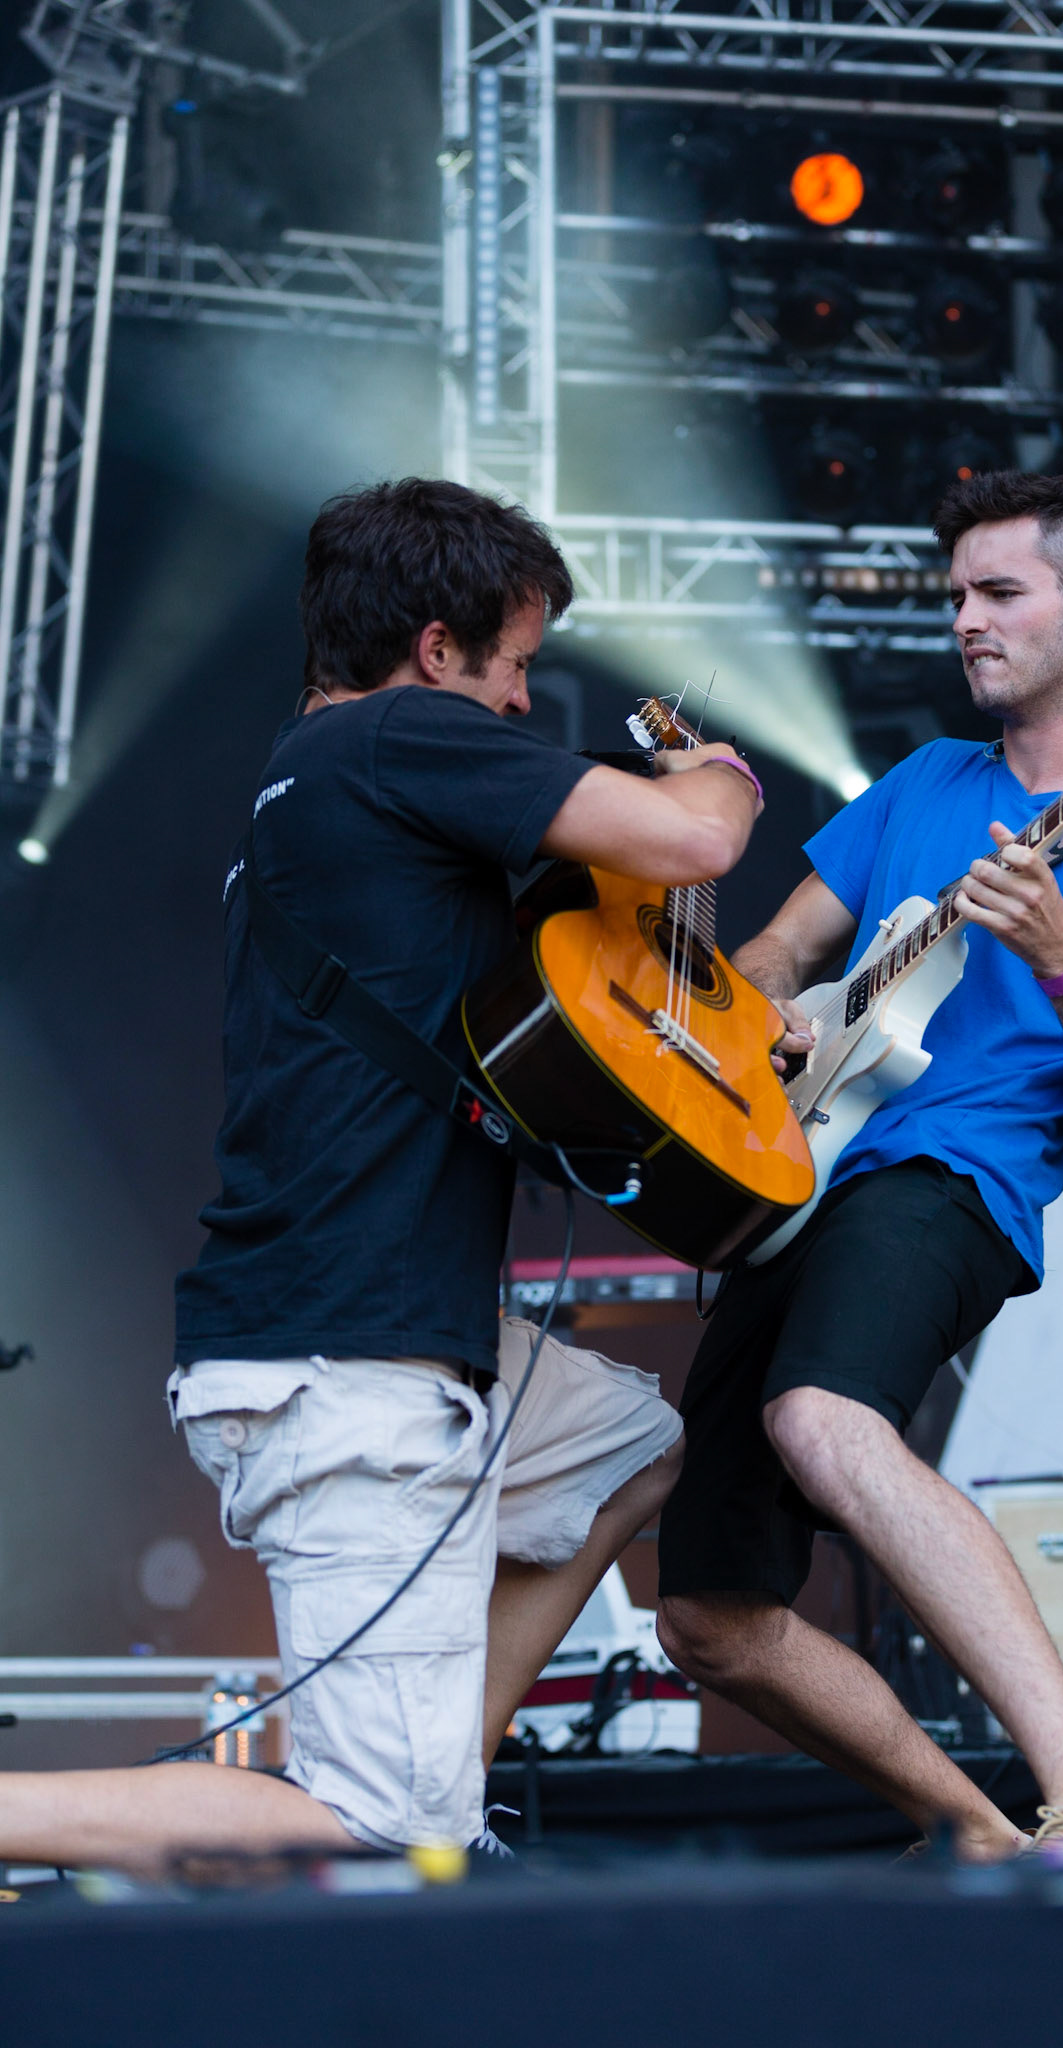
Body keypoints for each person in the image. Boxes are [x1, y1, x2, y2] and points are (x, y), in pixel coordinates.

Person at [0, 478, 762, 1877]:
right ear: (433, 649)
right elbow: (699, 842)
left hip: (378, 1341)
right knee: (359, 1824)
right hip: (350, 1369)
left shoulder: (315, 800)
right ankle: (400, 1822)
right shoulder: (400, 741)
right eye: (517, 664)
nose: (524, 704)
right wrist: (721, 774)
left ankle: (441, 1807)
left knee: (628, 1445)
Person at [655, 470, 1063, 1864]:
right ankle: (985, 1838)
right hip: (796, 1179)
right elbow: (767, 960)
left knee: (820, 1419)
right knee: (711, 1623)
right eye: (955, 599)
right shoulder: (926, 782)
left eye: (998, 595)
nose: (964, 622)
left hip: (950, 1180)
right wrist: (773, 1030)